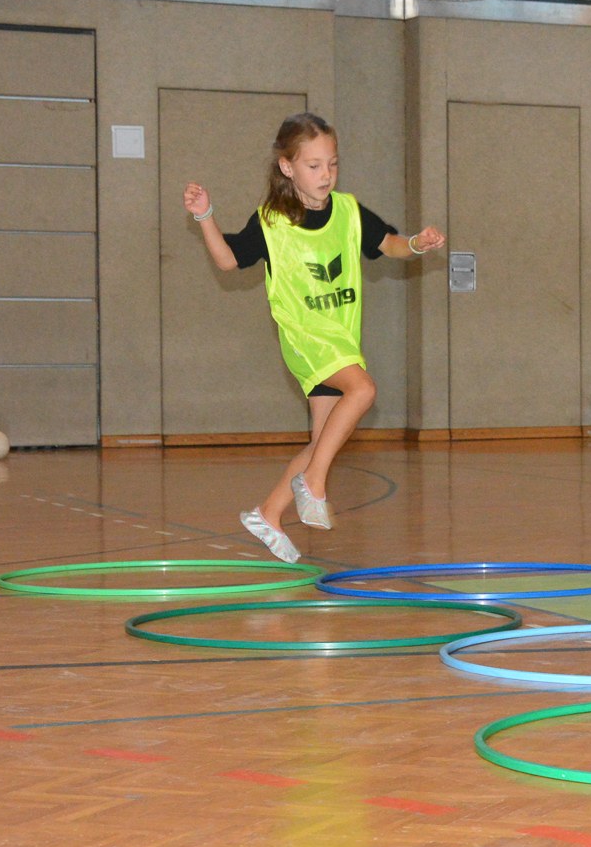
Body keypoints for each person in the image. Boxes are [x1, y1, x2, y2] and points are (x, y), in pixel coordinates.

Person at [183, 113, 444, 561]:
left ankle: (268, 513)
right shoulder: (271, 222)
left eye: (333, 164)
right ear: (287, 167)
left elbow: (390, 244)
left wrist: (418, 243)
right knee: (363, 390)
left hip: (341, 337)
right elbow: (228, 260)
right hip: (306, 337)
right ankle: (314, 483)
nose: (326, 174)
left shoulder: (348, 211)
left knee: (322, 441)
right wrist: (205, 215)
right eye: (314, 165)